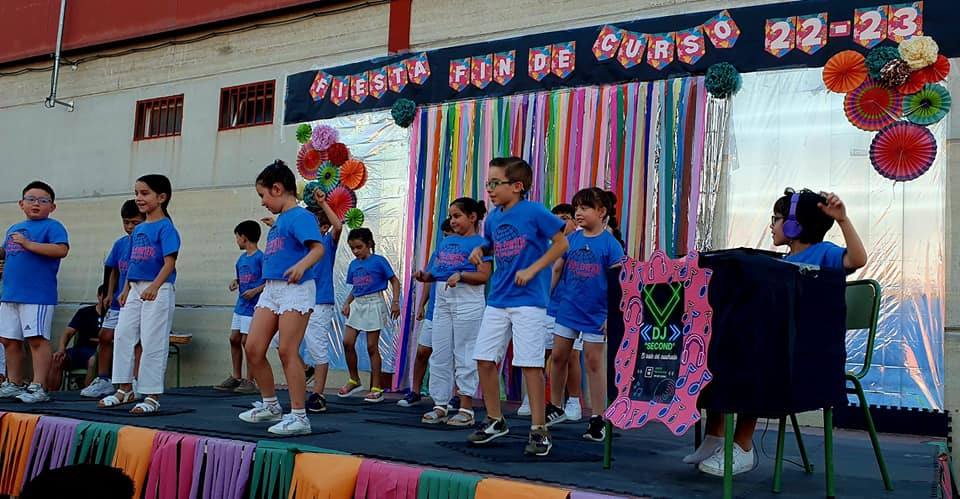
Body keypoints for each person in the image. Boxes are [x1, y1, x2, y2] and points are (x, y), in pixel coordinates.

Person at [693, 188, 867, 477]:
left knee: (757, 362)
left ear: (794, 225)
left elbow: (857, 260)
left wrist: (842, 220)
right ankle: (716, 435)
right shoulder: (779, 264)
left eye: (776, 218)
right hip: (779, 345)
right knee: (722, 352)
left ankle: (743, 445)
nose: (772, 225)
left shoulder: (825, 253)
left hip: (805, 355)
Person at [467, 157, 568, 457]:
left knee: (530, 364)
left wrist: (534, 269)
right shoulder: (493, 218)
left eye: (495, 183)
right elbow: (491, 244)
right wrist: (480, 249)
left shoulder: (534, 211)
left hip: (529, 301)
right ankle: (495, 419)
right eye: (488, 183)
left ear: (517, 186)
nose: (489, 189)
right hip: (498, 298)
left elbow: (561, 243)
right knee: (484, 359)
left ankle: (539, 428)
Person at [238, 160, 325, 435]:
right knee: (253, 347)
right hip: (272, 289)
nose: (262, 202)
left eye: (263, 195)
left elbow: (318, 249)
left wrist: (301, 266)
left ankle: (299, 416)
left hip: (295, 289)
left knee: (287, 349)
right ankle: (270, 405)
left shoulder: (301, 216)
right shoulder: (282, 221)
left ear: (277, 189)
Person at [544, 188, 625, 441]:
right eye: (576, 208)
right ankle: (555, 406)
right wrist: (545, 300)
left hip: (596, 314)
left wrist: (611, 316)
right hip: (568, 309)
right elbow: (557, 269)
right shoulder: (571, 239)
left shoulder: (611, 245)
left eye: (585, 208)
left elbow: (619, 285)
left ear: (601, 212)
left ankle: (598, 418)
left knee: (593, 363)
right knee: (558, 356)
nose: (578, 213)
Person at [98, 174, 180, 414]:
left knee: (152, 339)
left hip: (158, 288)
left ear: (161, 197)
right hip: (134, 289)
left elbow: (169, 263)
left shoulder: (166, 227)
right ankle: (125, 388)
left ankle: (151, 395)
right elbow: (132, 263)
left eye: (144, 193)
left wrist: (154, 286)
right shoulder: (139, 229)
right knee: (123, 334)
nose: (139, 198)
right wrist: (125, 289)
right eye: (136, 193)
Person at [414, 198, 492, 426]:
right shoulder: (446, 242)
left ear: (473, 217)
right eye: (451, 216)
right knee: (440, 353)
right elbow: (435, 272)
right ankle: (440, 404)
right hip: (443, 301)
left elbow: (483, 275)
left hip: (467, 301)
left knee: (465, 354)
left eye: (457, 216)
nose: (452, 220)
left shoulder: (480, 243)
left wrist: (462, 275)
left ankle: (466, 407)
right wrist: (424, 276)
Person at [0, 181, 70, 403]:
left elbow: (61, 249)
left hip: (36, 295)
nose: (36, 204)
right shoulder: (14, 228)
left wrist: (28, 244)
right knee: (9, 340)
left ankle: (39, 386)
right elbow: (6, 254)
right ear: (21, 204)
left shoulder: (53, 226)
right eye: (31, 199)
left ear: (52, 206)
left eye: (42, 200)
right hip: (10, 293)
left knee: (36, 339)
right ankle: (13, 382)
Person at [519, 203, 585, 420]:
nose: (560, 222)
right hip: (546, 308)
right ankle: (532, 397)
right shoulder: (544, 246)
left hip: (573, 308)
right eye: (555, 218)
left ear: (574, 222)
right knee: (539, 354)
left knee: (571, 355)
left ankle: (573, 401)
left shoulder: (580, 243)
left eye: (565, 217)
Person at [82, 200, 145, 398]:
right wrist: (110, 293)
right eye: (126, 222)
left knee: (136, 341)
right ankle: (103, 379)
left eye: (135, 222)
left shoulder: (146, 244)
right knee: (105, 336)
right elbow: (114, 270)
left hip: (137, 299)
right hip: (119, 301)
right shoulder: (120, 244)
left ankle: (136, 381)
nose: (130, 227)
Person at [338, 228, 401, 403]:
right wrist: (347, 302)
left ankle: (376, 387)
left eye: (359, 247)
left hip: (374, 303)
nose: (355, 251)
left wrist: (395, 301)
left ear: (369, 244)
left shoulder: (379, 261)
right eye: (352, 248)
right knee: (347, 342)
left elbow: (394, 281)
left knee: (372, 346)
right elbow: (356, 287)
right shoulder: (353, 264)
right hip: (358, 304)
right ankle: (354, 379)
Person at [399, 218, 454, 408]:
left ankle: (456, 396)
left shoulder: (466, 251)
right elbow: (430, 280)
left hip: (455, 311)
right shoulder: (438, 254)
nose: (446, 239)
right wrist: (422, 305)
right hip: (434, 311)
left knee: (454, 355)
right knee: (423, 351)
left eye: (450, 235)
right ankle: (415, 391)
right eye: (444, 235)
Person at [303, 189, 343, 413]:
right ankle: (305, 369)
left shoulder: (327, 241)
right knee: (279, 339)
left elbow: (338, 227)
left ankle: (318, 395)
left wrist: (323, 204)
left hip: (321, 302)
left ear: (323, 227)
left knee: (318, 347)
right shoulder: (303, 246)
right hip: (301, 300)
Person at [214, 221, 265, 394]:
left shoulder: (261, 258)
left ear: (244, 237)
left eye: (237, 237)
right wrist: (235, 282)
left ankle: (250, 380)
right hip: (241, 306)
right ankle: (236, 376)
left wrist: (255, 291)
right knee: (234, 339)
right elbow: (241, 278)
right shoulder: (241, 259)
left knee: (247, 342)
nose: (236, 241)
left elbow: (269, 282)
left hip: (254, 307)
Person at [48, 285, 108, 391]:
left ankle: (87, 392)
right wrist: (61, 349)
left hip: (101, 352)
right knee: (57, 358)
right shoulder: (84, 313)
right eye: (105, 296)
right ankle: (51, 392)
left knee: (93, 361)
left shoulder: (114, 315)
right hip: (80, 350)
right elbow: (67, 333)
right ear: (99, 296)